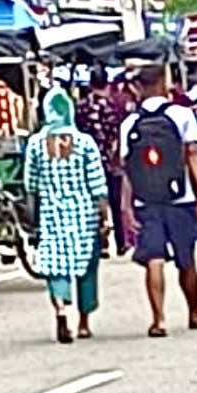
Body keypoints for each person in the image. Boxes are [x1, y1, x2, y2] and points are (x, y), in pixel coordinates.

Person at [120, 63, 197, 338]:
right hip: (180, 197)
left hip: (145, 199)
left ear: (139, 88)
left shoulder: (130, 123)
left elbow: (127, 168)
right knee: (186, 259)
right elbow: (193, 155)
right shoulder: (182, 115)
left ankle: (159, 319)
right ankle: (194, 312)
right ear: (164, 84)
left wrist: (127, 206)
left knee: (154, 259)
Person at [24, 86, 109, 344]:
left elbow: (31, 184)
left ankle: (61, 310)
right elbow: (97, 184)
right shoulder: (84, 142)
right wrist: (104, 216)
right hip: (83, 215)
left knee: (56, 265)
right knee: (86, 267)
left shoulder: (37, 143)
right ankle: (83, 323)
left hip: (51, 213)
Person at [77, 68, 130, 258]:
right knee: (115, 201)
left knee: (94, 202)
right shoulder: (112, 106)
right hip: (109, 160)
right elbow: (117, 134)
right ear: (107, 84)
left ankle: (101, 244)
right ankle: (121, 242)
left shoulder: (81, 106)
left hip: (88, 161)